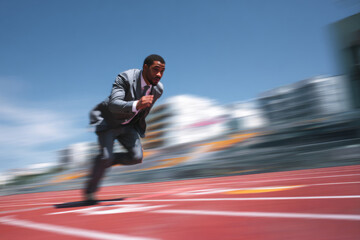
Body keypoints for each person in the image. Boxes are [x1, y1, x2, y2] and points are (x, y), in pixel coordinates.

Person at [84, 54, 165, 204]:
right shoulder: (125, 78)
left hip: (128, 125)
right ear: (145, 68)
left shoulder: (158, 90)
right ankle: (90, 190)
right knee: (105, 157)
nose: (159, 74)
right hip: (108, 121)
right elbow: (114, 104)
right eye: (156, 70)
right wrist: (136, 104)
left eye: (162, 71)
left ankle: (104, 160)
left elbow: (144, 111)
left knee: (136, 157)